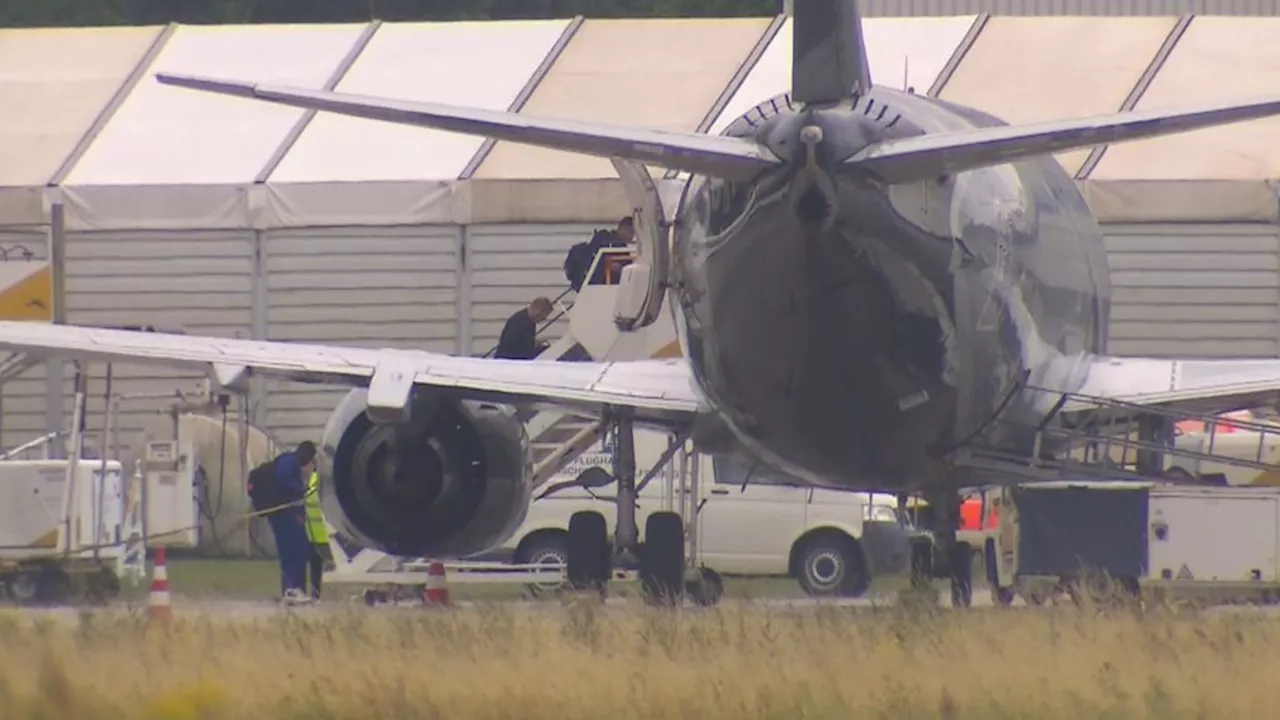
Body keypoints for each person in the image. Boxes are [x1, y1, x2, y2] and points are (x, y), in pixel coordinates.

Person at [265, 440, 316, 605]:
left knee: (292, 550)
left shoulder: (286, 460)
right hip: (285, 514)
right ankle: (293, 588)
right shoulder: (291, 465)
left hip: (283, 513)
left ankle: (292, 588)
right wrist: (304, 484)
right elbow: (292, 488)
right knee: (295, 550)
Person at [564, 216, 635, 291]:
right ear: (623, 228)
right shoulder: (614, 244)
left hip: (590, 284)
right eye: (631, 232)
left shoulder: (603, 237)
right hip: (600, 286)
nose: (632, 237)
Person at [302, 468, 332, 600]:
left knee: (315, 568)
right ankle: (316, 594)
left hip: (315, 535)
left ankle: (314, 594)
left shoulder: (312, 483)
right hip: (323, 535)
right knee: (317, 568)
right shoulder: (320, 482)